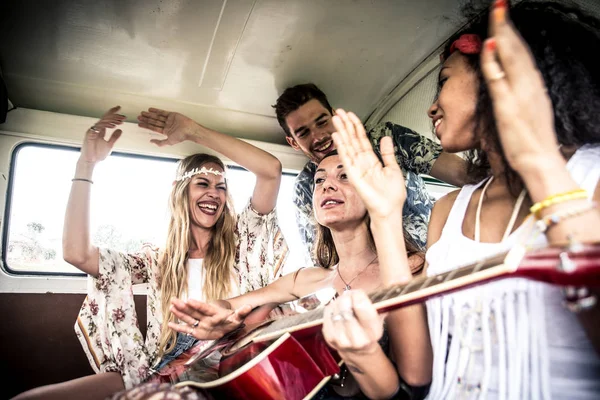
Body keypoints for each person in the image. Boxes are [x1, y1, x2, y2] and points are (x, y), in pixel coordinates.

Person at [12, 106, 288, 400]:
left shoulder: (241, 243)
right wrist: (86, 164)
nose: (214, 194)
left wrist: (194, 130)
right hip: (165, 364)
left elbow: (271, 171)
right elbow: (77, 254)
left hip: (230, 358)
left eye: (221, 187)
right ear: (180, 191)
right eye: (203, 184)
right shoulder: (157, 261)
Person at [162, 113, 433, 400]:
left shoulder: (411, 266)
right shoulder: (306, 279)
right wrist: (216, 314)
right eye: (319, 180)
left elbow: (417, 378)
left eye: (344, 175)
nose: (327, 185)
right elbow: (233, 304)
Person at [418, 0, 600, 398]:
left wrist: (536, 160)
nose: (432, 106)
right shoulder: (448, 210)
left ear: (496, 69)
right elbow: (421, 367)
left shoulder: (594, 175)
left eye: (444, 80)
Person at [273, 83, 468, 261]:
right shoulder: (306, 187)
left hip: (441, 256)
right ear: (293, 142)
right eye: (304, 133)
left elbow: (464, 175)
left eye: (322, 122)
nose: (318, 136)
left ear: (335, 116)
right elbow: (322, 258)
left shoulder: (386, 138)